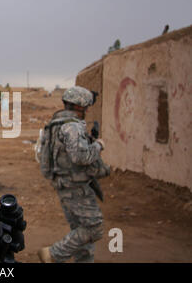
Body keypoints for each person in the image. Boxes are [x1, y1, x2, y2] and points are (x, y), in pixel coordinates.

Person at [37, 86, 110, 263]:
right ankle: (53, 254)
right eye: (86, 107)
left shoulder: (54, 124)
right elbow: (80, 156)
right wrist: (98, 145)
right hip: (75, 187)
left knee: (81, 230)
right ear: (79, 106)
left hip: (64, 184)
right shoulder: (72, 126)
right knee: (94, 228)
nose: (86, 111)